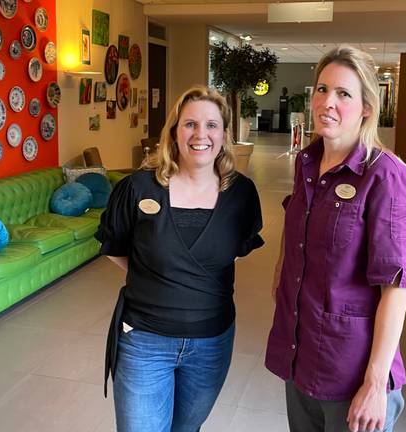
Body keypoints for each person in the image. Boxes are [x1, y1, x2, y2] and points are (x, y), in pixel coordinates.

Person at [265, 46, 406, 432]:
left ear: (368, 106)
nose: (327, 102)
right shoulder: (307, 165)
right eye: (321, 89)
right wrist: (279, 281)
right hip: (300, 357)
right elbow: (295, 239)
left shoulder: (386, 177)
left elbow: (396, 289)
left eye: (343, 94)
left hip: (350, 370)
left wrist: (374, 383)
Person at [96, 86, 264, 432]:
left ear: (224, 134)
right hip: (144, 339)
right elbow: (115, 246)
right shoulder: (138, 187)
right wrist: (156, 275)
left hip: (211, 342)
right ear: (174, 131)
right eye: (190, 124)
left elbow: (232, 254)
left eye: (211, 125)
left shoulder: (241, 194)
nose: (201, 134)